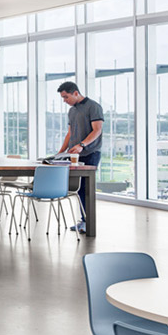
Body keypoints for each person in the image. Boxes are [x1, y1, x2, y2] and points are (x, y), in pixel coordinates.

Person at [57, 81, 104, 232]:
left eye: (66, 97)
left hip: (90, 153)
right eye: (63, 98)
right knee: (78, 189)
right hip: (74, 155)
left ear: (75, 93)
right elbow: (70, 134)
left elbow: (97, 130)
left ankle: (87, 222)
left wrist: (82, 145)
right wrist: (60, 152)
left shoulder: (93, 107)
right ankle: (83, 220)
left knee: (86, 188)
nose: (65, 101)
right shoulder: (72, 111)